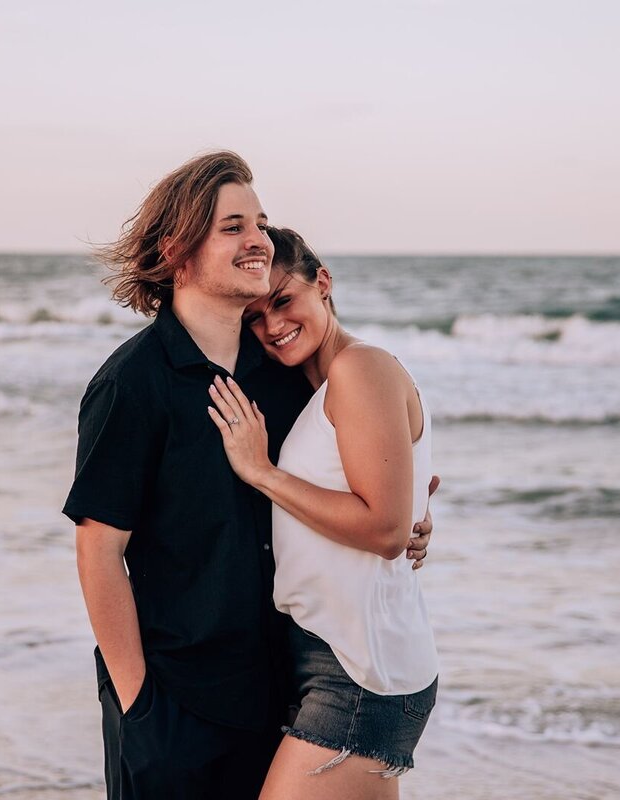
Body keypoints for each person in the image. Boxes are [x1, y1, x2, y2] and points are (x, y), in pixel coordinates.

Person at [62, 152, 433, 800]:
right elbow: (99, 551)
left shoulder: (284, 375)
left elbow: (365, 487)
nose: (258, 238)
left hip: (278, 695)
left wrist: (412, 522)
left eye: (260, 222)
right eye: (233, 225)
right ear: (178, 248)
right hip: (173, 702)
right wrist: (138, 702)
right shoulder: (133, 383)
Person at [206, 227, 438, 800]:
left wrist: (261, 472)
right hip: (338, 657)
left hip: (359, 673)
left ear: (323, 283)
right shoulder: (319, 387)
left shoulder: (361, 368)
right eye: (254, 317)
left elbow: (385, 530)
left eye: (283, 300)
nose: (272, 326)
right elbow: (390, 505)